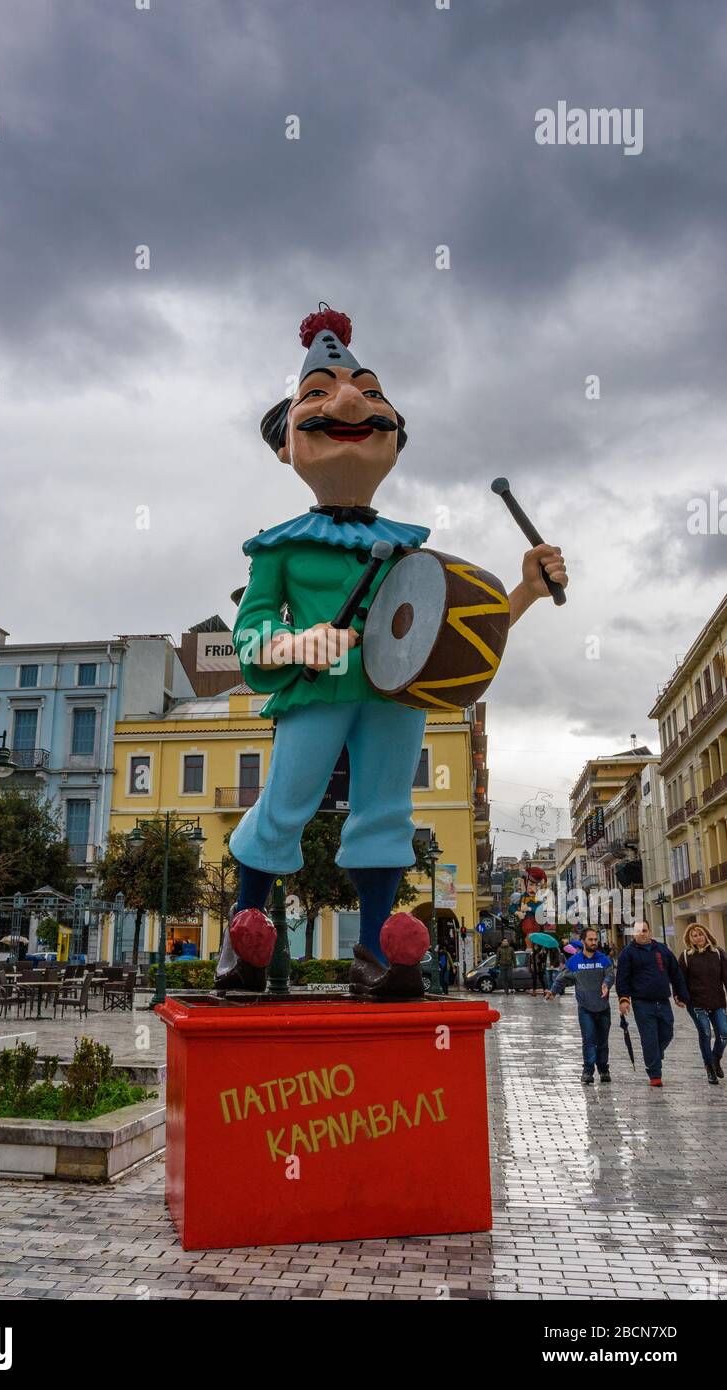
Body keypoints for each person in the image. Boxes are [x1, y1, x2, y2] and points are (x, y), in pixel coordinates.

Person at [216, 305, 569, 996]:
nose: (350, 402)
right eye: (315, 394)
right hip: (316, 693)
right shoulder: (280, 546)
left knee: (385, 811)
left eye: (371, 394)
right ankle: (246, 936)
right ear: (285, 444)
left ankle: (374, 952)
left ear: (395, 440)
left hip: (396, 693)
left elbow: (459, 628)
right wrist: (297, 643)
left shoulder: (412, 548)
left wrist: (524, 590)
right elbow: (250, 636)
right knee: (285, 804)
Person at [616, 920, 690, 1087]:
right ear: (633, 934)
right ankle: (655, 1074)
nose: (642, 933)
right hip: (642, 1003)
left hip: (663, 1000)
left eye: (645, 930)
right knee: (649, 1038)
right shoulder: (627, 953)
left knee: (668, 1032)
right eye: (639, 931)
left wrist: (680, 994)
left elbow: (675, 973)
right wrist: (624, 999)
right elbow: (622, 979)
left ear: (649, 931)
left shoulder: (662, 949)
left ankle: (655, 1054)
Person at [545, 926, 614, 1084]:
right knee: (589, 1040)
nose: (594, 942)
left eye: (595, 939)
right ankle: (588, 1071)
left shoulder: (604, 959)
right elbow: (562, 978)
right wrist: (553, 991)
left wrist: (606, 983)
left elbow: (610, 974)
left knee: (603, 1041)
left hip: (603, 1008)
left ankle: (603, 1069)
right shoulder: (574, 961)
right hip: (585, 1009)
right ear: (583, 941)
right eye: (590, 939)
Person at [677, 922, 727, 1085]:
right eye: (694, 935)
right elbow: (680, 981)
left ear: (706, 935)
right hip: (697, 1003)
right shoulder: (686, 957)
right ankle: (709, 1068)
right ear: (690, 939)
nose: (698, 937)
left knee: (724, 1034)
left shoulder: (718, 953)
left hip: (717, 1001)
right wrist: (678, 996)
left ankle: (715, 1058)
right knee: (705, 1034)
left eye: (700, 934)